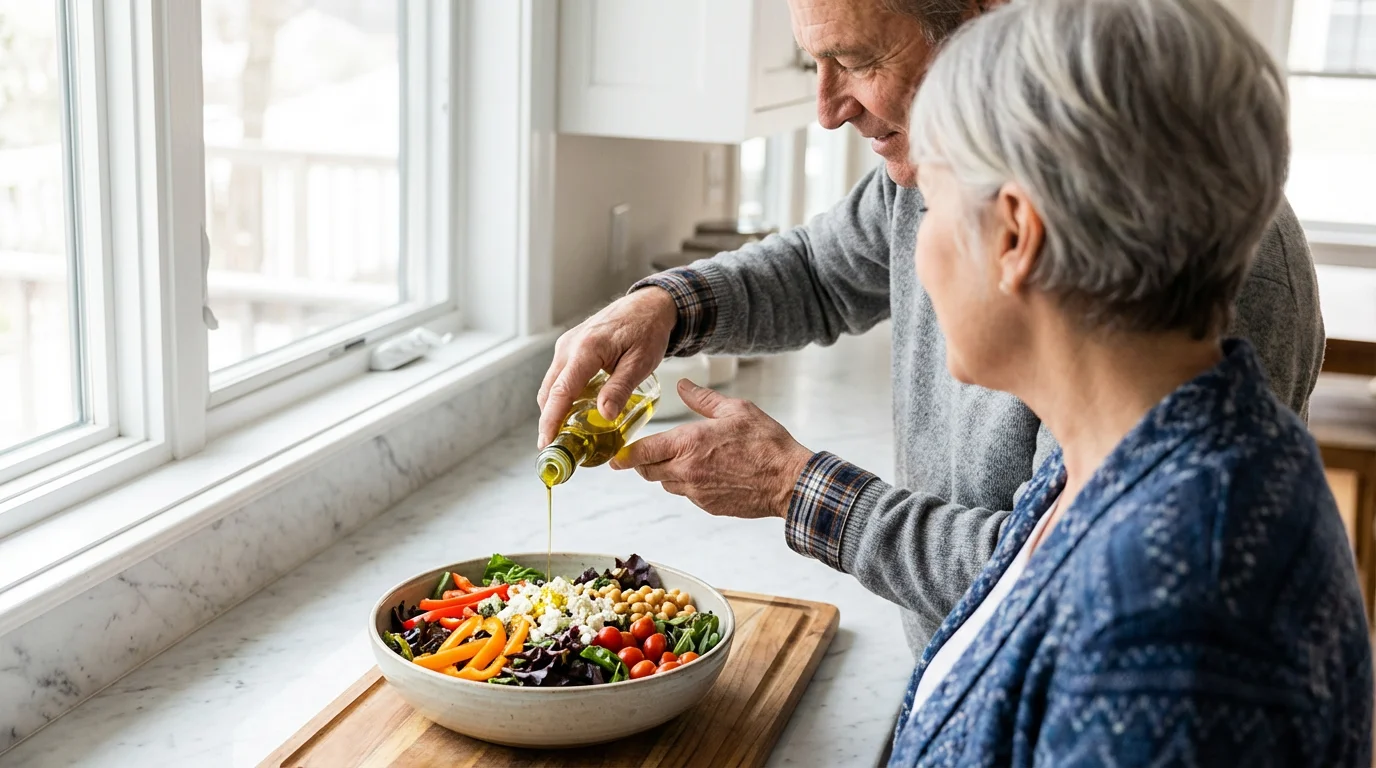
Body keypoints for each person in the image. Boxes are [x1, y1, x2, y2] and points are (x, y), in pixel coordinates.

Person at [536, 0, 1326, 656]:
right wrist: (667, 304)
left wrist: (794, 486)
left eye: (855, 59)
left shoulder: (1208, 306)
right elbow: (823, 267)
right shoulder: (962, 153)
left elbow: (1051, 578)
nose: (825, 107)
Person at [883, 0, 1371, 763]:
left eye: (932, 204)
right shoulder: (1138, 452)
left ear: (1015, 235)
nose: (917, 251)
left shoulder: (1173, 617)